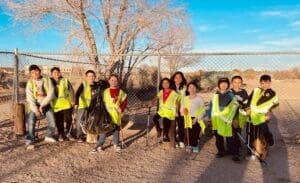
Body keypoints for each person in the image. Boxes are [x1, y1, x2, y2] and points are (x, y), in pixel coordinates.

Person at [246, 74, 279, 160]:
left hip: (262, 117)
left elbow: (275, 103)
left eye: (267, 83)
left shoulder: (272, 93)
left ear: (270, 83)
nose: (265, 85)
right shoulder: (256, 90)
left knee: (263, 133)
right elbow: (249, 100)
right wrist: (246, 108)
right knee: (252, 135)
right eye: (263, 83)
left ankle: (268, 142)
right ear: (260, 83)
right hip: (252, 116)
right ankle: (252, 152)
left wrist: (269, 112)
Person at [92, 74, 127, 152]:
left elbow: (124, 101)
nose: (114, 82)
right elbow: (99, 102)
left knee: (116, 130)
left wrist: (121, 108)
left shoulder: (121, 92)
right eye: (112, 80)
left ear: (118, 82)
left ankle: (116, 144)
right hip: (105, 115)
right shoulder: (104, 92)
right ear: (109, 81)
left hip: (116, 114)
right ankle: (99, 145)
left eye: (115, 80)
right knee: (104, 130)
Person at [208, 77, 240, 161]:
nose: (223, 84)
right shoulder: (215, 96)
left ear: (228, 85)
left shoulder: (231, 95)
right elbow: (211, 107)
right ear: (219, 85)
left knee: (230, 137)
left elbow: (235, 107)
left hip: (228, 120)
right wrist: (209, 118)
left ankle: (234, 153)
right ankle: (221, 151)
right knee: (218, 137)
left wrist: (235, 119)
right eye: (221, 83)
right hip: (217, 120)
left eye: (225, 83)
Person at [25, 65, 57, 148]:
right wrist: (36, 110)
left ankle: (49, 136)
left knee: (52, 120)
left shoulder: (47, 80)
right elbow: (30, 98)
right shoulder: (30, 83)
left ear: (40, 71)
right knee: (31, 121)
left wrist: (42, 106)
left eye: (36, 71)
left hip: (45, 104)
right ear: (30, 74)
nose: (35, 73)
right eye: (32, 72)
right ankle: (30, 138)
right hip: (34, 105)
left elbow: (51, 94)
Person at [50, 67, 75, 141]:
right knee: (59, 120)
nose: (56, 74)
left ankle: (69, 132)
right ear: (51, 74)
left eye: (58, 72)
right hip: (56, 105)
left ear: (60, 73)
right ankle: (60, 133)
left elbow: (71, 90)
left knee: (68, 119)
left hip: (66, 104)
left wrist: (73, 100)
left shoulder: (65, 80)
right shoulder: (49, 82)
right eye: (54, 73)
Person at [181, 82, 206, 153]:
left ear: (196, 89)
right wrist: (183, 111)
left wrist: (197, 118)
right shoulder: (185, 98)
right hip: (187, 117)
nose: (191, 89)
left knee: (195, 133)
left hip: (196, 118)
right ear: (187, 89)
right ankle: (189, 145)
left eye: (193, 87)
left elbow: (203, 110)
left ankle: (195, 145)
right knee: (188, 132)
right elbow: (182, 107)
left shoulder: (199, 98)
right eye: (190, 87)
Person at [152, 78, 178, 142]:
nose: (165, 84)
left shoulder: (173, 92)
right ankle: (159, 130)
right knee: (155, 118)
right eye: (163, 83)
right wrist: (151, 102)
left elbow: (177, 102)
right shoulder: (161, 91)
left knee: (165, 121)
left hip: (170, 111)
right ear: (161, 84)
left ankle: (165, 135)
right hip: (162, 110)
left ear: (169, 84)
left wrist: (177, 112)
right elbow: (156, 98)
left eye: (167, 83)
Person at [75, 70, 97, 142]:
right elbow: (77, 94)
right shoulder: (83, 84)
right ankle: (79, 136)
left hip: (93, 106)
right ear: (86, 77)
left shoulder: (97, 85)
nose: (91, 77)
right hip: (83, 106)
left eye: (93, 76)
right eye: (89, 76)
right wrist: (76, 104)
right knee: (80, 121)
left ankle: (90, 136)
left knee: (90, 121)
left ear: (95, 77)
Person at [230, 75, 249, 158]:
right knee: (231, 133)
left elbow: (246, 104)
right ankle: (232, 148)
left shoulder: (243, 92)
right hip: (230, 115)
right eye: (235, 82)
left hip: (239, 115)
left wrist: (246, 109)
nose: (237, 84)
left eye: (239, 82)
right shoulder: (229, 92)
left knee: (237, 132)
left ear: (241, 83)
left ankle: (236, 152)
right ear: (232, 83)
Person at [171, 71, 187, 148]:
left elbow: (187, 98)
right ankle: (174, 141)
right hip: (173, 110)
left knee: (181, 125)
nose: (178, 79)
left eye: (180, 77)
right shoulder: (170, 87)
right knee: (173, 126)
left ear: (182, 78)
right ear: (173, 79)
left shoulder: (184, 87)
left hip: (181, 109)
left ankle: (181, 140)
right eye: (176, 77)